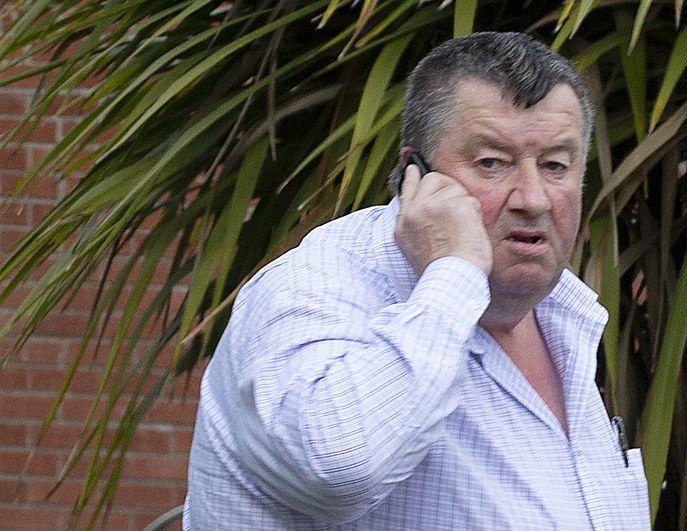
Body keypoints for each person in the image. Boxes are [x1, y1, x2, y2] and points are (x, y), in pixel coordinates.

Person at [184, 31, 652, 530]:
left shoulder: (560, 310)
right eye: (492, 163)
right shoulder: (309, 288)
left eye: (556, 166)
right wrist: (453, 274)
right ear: (416, 176)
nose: (534, 199)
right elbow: (339, 467)